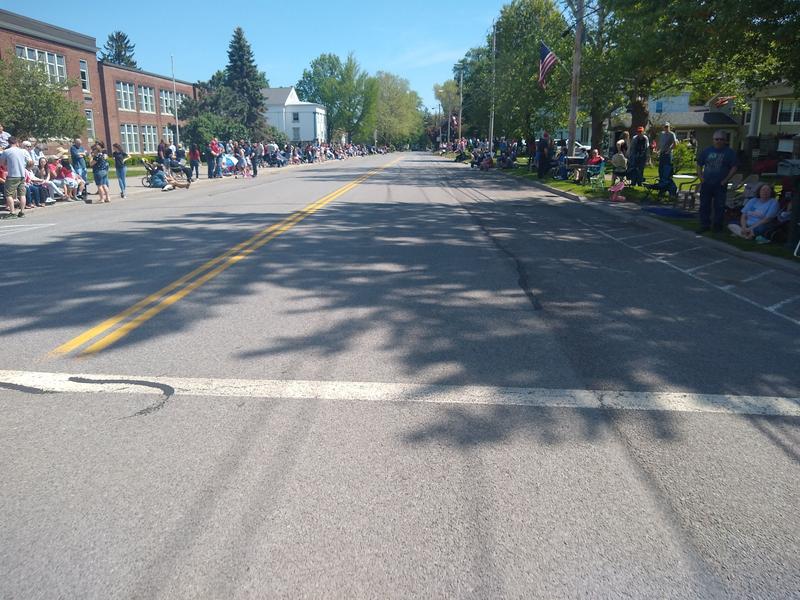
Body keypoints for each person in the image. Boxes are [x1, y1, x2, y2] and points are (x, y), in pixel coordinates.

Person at [696, 130, 738, 234]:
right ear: (713, 140)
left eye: (721, 139)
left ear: (725, 140)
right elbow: (699, 164)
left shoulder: (730, 152)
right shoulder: (707, 151)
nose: (719, 141)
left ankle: (717, 227)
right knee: (704, 205)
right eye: (717, 139)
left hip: (720, 184)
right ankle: (704, 225)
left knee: (719, 206)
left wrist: (726, 180)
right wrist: (701, 177)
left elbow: (734, 167)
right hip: (707, 183)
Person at [0, 137, 30, 217]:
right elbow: (30, 162)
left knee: (8, 194)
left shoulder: (6, 151)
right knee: (22, 194)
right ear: (16, 142)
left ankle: (12, 212)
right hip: (22, 175)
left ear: (8, 142)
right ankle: (22, 212)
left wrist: (7, 164)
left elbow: (2, 163)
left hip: (12, 175)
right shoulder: (23, 151)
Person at [658, 122, 678, 196]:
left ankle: (672, 190)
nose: (666, 128)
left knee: (667, 172)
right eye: (665, 126)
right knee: (661, 171)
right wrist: (657, 150)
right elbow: (660, 144)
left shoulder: (672, 134)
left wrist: (669, 150)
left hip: (668, 155)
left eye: (667, 127)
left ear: (669, 127)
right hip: (662, 154)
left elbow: (675, 144)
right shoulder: (661, 134)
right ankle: (662, 189)